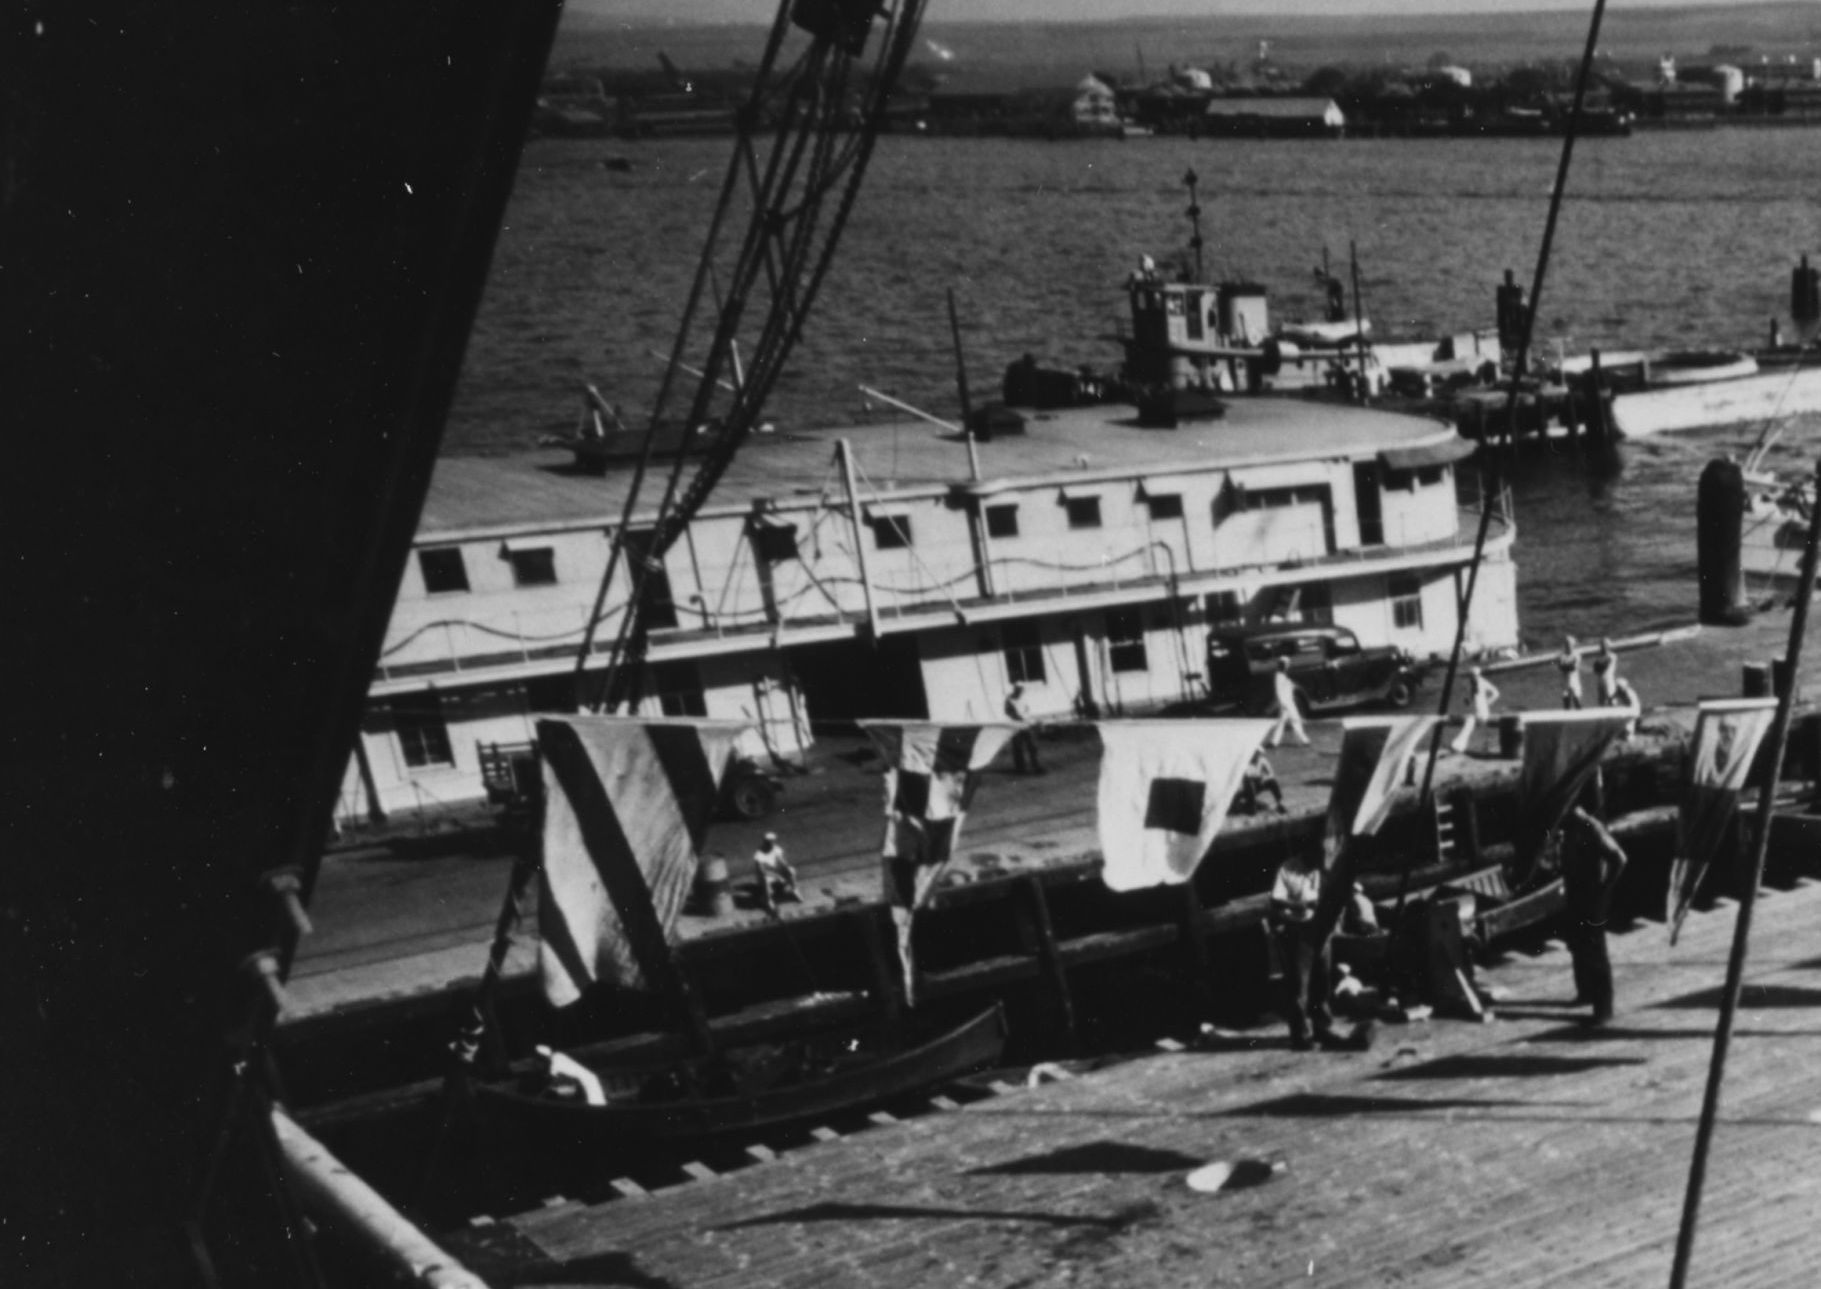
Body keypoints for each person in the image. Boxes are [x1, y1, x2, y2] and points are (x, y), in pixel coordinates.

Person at [1560, 806, 1628, 1025]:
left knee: (1594, 949)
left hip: (1592, 895)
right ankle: (1586, 992)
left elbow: (1619, 858)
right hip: (1576, 892)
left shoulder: (1590, 827)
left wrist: (1605, 887)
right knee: (1578, 943)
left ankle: (1603, 1008)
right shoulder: (1569, 827)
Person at [1269, 849, 1333, 1050]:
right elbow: (1275, 900)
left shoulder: (1325, 867)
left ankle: (1323, 1028)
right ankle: (1301, 1036)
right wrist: (1298, 905)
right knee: (1300, 985)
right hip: (1297, 929)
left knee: (1322, 980)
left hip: (1321, 927)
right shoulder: (1288, 868)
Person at [1451, 665, 1501, 755]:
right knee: (1469, 722)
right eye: (1471, 675)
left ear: (1477, 675)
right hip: (1474, 711)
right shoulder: (1469, 684)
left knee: (1469, 722)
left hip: (1482, 712)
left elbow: (1496, 693)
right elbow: (1469, 698)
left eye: (1474, 675)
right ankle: (1459, 745)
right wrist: (1467, 701)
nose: (1472, 677)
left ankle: (1459, 745)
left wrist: (1488, 702)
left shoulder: (1483, 682)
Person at [1266, 657, 1311, 749]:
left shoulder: (1284, 675)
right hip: (1286, 704)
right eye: (1286, 664)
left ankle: (1274, 742)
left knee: (1282, 722)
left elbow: (1289, 686)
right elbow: (1279, 691)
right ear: (1283, 665)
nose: (1288, 665)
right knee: (1295, 720)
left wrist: (1293, 686)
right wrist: (1284, 704)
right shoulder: (1279, 676)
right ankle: (1305, 740)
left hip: (1288, 702)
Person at [753, 831, 799, 915]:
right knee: (766, 880)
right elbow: (763, 871)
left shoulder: (776, 849)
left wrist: (786, 868)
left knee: (791, 870)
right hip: (765, 875)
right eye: (769, 842)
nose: (771, 844)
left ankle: (793, 889)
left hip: (777, 872)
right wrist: (777, 876)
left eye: (772, 842)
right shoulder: (759, 854)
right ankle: (768, 900)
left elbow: (782, 861)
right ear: (765, 842)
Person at [1004, 681, 1045, 775]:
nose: (1020, 692)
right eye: (1018, 690)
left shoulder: (1023, 699)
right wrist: (1019, 718)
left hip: (1026, 725)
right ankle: (1020, 768)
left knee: (1032, 746)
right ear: (1015, 689)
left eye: (1021, 690)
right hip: (1016, 726)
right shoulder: (1009, 700)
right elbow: (1009, 712)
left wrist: (1032, 720)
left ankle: (1036, 766)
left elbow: (1027, 711)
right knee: (1018, 747)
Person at [1238, 748, 1286, 815]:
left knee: (1273, 782)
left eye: (1258, 753)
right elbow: (1246, 777)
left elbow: (1271, 773)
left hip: (1258, 783)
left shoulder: (1262, 760)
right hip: (1245, 789)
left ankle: (1280, 804)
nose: (1257, 755)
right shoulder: (1245, 762)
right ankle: (1252, 806)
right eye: (1255, 753)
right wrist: (1258, 777)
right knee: (1250, 783)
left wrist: (1264, 778)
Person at [1556, 635, 1584, 710]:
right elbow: (1560, 666)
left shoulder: (1577, 655)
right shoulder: (1561, 656)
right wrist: (1566, 666)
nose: (1568, 646)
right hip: (1565, 682)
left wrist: (1565, 666)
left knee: (1577, 701)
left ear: (1573, 645)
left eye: (1570, 644)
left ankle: (1581, 714)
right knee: (1566, 701)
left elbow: (1573, 667)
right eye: (1567, 644)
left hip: (1574, 682)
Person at [1610, 674, 1641, 741]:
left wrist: (1626, 710)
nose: (1618, 688)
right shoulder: (1619, 691)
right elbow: (1612, 697)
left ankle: (1629, 735)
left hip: (1633, 709)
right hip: (1628, 709)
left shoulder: (1629, 693)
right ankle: (1624, 733)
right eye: (1617, 687)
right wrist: (1612, 702)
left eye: (1619, 687)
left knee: (1629, 722)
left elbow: (1633, 704)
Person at [1592, 638, 1618, 707]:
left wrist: (1598, 666)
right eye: (1602, 645)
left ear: (1608, 646)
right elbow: (1595, 669)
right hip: (1600, 681)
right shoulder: (1598, 658)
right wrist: (1597, 666)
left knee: (1611, 698)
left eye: (1605, 645)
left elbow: (1603, 666)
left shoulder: (1612, 656)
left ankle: (1615, 712)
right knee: (1601, 701)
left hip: (1609, 680)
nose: (1603, 647)